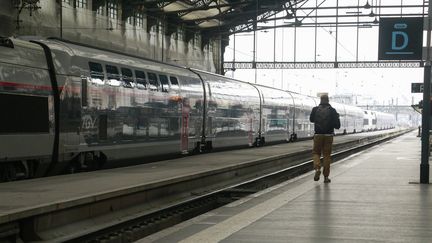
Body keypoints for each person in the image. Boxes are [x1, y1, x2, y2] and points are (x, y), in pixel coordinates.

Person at [309, 94, 340, 183]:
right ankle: (326, 177)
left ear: (320, 100)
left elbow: (311, 120)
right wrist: (336, 117)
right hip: (328, 136)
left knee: (316, 153)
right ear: (328, 100)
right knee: (326, 155)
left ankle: (317, 168)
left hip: (318, 135)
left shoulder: (315, 109)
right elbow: (337, 126)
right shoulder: (332, 110)